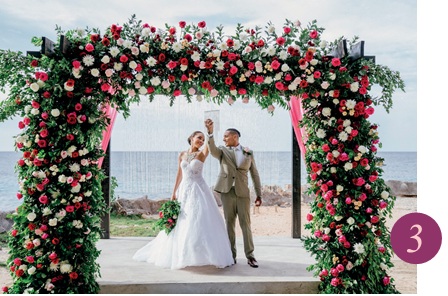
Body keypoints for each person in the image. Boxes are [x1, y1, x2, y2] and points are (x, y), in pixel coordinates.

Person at [132, 131, 234, 269]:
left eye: (203, 139)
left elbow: (210, 145)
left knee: (198, 220)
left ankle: (201, 255)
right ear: (191, 138)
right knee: (182, 221)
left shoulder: (202, 154)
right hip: (184, 191)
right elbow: (179, 174)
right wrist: (174, 192)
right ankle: (181, 254)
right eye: (199, 138)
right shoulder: (181, 154)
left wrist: (210, 132)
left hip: (198, 190)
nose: (201, 141)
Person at [204, 119, 262, 268]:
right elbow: (212, 150)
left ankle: (250, 256)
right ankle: (231, 255)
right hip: (227, 192)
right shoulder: (222, 151)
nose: (223, 139)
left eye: (226, 136)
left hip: (243, 193)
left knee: (246, 225)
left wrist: (259, 194)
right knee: (229, 224)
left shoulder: (248, 152)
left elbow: (254, 174)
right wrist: (210, 133)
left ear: (235, 137)